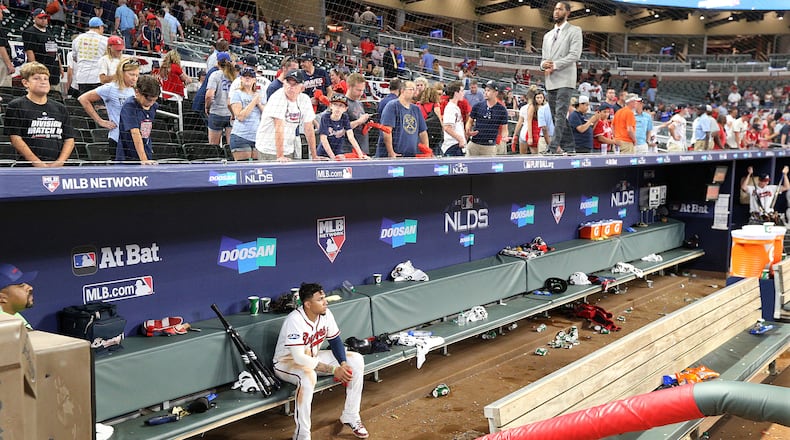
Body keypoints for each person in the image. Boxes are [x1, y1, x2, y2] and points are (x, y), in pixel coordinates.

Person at [272, 282, 369, 440]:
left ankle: (351, 415)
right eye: (320, 299)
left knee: (356, 360)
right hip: (287, 363)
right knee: (308, 377)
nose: (325, 302)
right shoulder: (294, 320)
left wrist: (343, 364)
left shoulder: (326, 314)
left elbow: (335, 340)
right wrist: (333, 370)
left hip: (313, 358)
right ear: (308, 304)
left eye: (324, 298)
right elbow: (299, 358)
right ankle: (302, 435)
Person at [5, 62, 75, 167]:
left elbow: (69, 139)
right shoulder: (16, 106)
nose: (43, 82)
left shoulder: (60, 108)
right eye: (36, 78)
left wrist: (60, 162)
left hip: (57, 168)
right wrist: (37, 163)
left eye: (45, 78)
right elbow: (15, 138)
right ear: (25, 83)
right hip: (27, 168)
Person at [540, 1, 582, 154]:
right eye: (555, 9)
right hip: (550, 79)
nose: (556, 12)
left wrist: (555, 65)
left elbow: (574, 55)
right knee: (555, 115)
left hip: (565, 78)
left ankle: (553, 147)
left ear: (567, 12)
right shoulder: (547, 36)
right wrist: (543, 65)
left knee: (560, 114)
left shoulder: (575, 30)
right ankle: (570, 146)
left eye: (560, 9)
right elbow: (544, 58)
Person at [79, 57, 140, 152]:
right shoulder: (110, 88)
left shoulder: (135, 90)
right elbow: (83, 99)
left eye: (136, 75)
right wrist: (100, 121)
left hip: (135, 138)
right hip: (117, 138)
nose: (134, 78)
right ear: (122, 73)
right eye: (131, 74)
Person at [255, 69, 317, 162]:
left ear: (302, 88)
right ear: (284, 83)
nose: (290, 87)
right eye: (288, 83)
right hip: (268, 148)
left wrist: (314, 156)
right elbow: (278, 127)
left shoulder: (305, 99)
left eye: (294, 84)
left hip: (287, 147)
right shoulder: (277, 98)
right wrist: (280, 156)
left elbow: (309, 128)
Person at [378, 80, 428, 158]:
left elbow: (423, 133)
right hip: (395, 156)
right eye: (411, 89)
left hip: (411, 156)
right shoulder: (392, 106)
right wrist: (391, 152)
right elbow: (386, 131)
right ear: (402, 90)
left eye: (415, 89)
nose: (415, 92)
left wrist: (426, 152)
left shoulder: (416, 109)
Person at [117, 74, 160, 163]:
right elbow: (135, 132)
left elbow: (146, 131)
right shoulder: (129, 106)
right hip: (128, 157)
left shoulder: (154, 106)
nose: (151, 103)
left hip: (147, 152)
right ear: (137, 92)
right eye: (149, 100)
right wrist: (143, 160)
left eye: (154, 100)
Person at [228, 67, 264, 161]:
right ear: (241, 78)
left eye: (250, 76)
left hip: (257, 137)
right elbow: (240, 116)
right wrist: (254, 102)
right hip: (241, 136)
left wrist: (259, 103)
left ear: (254, 80)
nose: (247, 78)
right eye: (245, 76)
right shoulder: (237, 94)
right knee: (243, 168)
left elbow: (266, 114)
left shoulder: (259, 95)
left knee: (257, 169)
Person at [465, 80, 509, 157]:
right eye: (485, 90)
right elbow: (470, 121)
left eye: (488, 90)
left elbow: (504, 129)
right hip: (474, 143)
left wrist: (504, 137)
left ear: (495, 93)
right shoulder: (477, 106)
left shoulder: (502, 110)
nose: (485, 92)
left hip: (489, 146)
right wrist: (468, 130)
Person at [317, 94, 368, 160]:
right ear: (331, 106)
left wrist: (360, 154)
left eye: (341, 105)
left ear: (345, 109)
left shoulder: (344, 117)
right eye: (335, 104)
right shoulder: (325, 117)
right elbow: (323, 139)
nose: (337, 108)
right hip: (323, 152)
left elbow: (351, 137)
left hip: (338, 151)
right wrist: (332, 157)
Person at [23, 8, 64, 87]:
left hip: (53, 71)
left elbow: (55, 51)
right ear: (34, 18)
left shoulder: (49, 32)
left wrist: (60, 67)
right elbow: (30, 52)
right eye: (40, 18)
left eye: (45, 18)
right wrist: (35, 70)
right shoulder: (30, 32)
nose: (43, 20)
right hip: (41, 70)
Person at [204, 52, 236, 146]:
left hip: (217, 112)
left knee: (214, 146)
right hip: (231, 113)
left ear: (218, 62)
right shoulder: (234, 75)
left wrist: (207, 107)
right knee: (231, 146)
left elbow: (209, 95)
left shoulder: (215, 75)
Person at [72, 17, 108, 94]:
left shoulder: (78, 39)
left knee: (84, 103)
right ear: (100, 27)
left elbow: (74, 58)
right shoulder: (105, 40)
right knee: (99, 104)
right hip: (97, 78)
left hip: (82, 77)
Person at [0, 264, 37, 331]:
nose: (30, 288)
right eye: (21, 285)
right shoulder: (4, 324)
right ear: (2, 297)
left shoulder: (11, 313)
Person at [344, 73, 371, 155]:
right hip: (348, 150)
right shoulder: (343, 103)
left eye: (362, 90)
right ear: (349, 87)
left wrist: (366, 125)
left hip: (362, 147)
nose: (361, 93)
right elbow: (340, 127)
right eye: (358, 90)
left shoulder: (359, 103)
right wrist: (359, 121)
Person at [441, 80, 466, 156]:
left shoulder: (455, 107)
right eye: (461, 91)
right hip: (452, 145)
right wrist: (460, 139)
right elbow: (447, 127)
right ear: (456, 92)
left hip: (456, 144)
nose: (463, 93)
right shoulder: (450, 108)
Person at [0, 6, 15, 88]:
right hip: (1, 61)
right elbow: (1, 47)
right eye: (1, 12)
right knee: (4, 87)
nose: (2, 14)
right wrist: (9, 64)